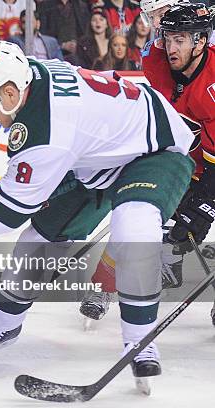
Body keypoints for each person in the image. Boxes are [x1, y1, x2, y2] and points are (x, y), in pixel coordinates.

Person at [0, 40, 195, 382]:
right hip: (98, 157)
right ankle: (4, 324)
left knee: (133, 228)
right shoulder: (29, 73)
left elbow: (3, 213)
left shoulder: (46, 132)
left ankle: (140, 342)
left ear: (8, 92)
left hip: (157, 149)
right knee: (39, 239)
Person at [81, 2, 215, 326]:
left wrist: (203, 205)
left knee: (192, 219)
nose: (170, 46)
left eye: (180, 39)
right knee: (136, 208)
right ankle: (105, 283)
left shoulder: (211, 88)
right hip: (177, 157)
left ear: (200, 41)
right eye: (167, 37)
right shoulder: (156, 61)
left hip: (208, 164)